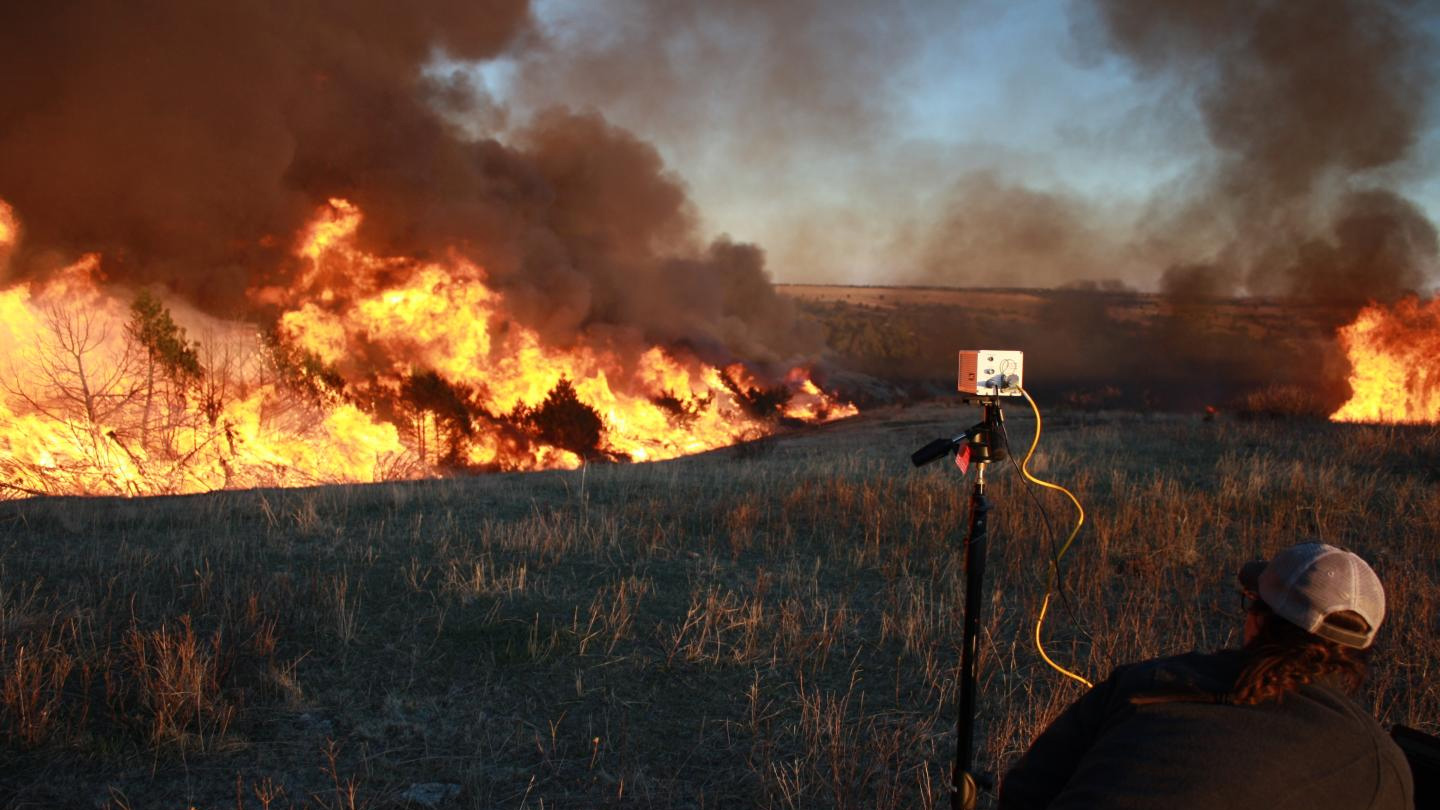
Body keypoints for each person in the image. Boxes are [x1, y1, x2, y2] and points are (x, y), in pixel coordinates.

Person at [998, 541, 1413, 809]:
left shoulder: (1147, 681)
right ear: (1360, 653)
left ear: (1257, 620)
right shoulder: (1380, 767)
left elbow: (1023, 794)